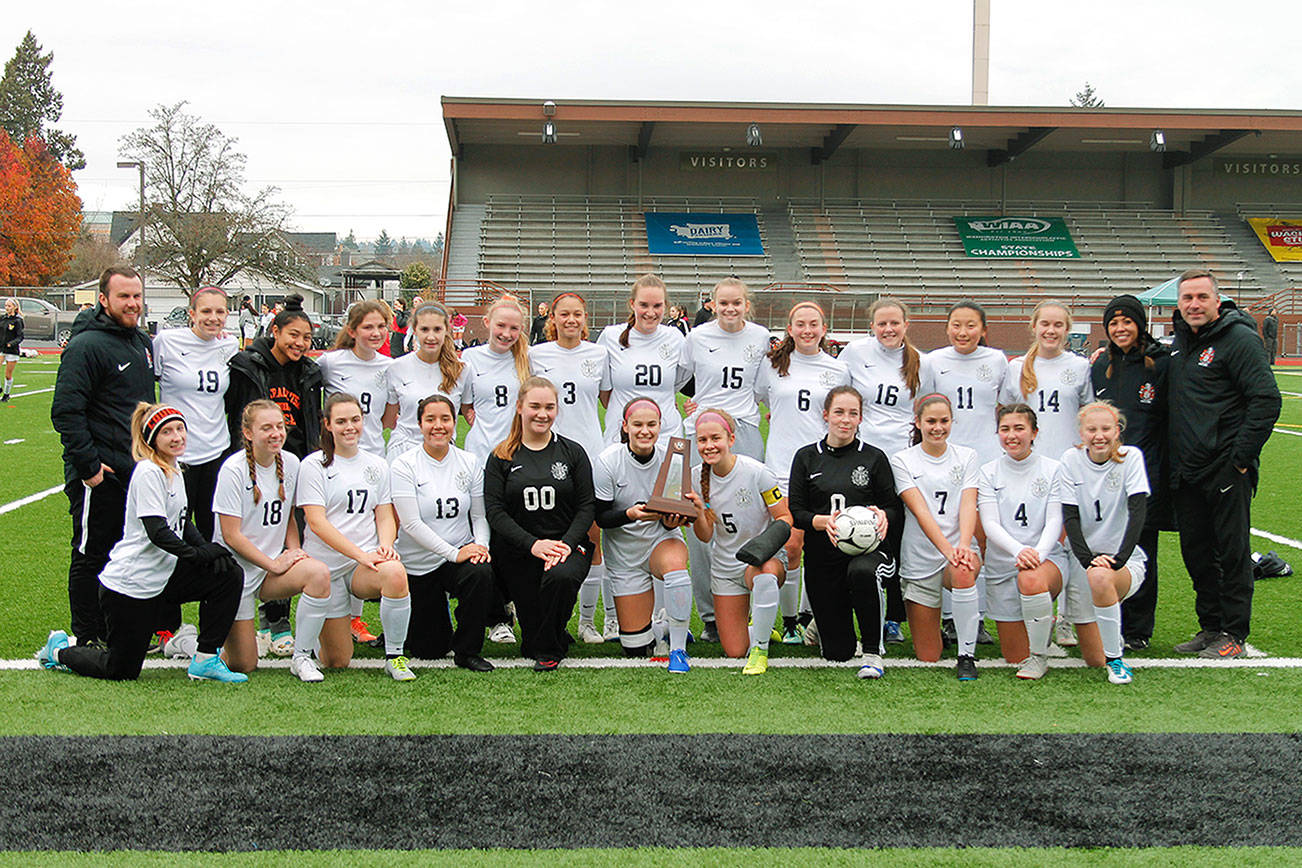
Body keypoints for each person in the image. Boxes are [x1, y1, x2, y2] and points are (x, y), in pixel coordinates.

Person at [36, 403, 246, 682]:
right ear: (152, 439)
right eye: (167, 432)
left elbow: (182, 523)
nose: (177, 437)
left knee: (228, 573)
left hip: (164, 577)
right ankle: (59, 651)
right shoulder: (148, 472)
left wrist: (209, 551)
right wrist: (198, 556)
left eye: (180, 429)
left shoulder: (174, 468)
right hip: (131, 586)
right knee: (120, 670)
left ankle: (206, 658)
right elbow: (157, 532)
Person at [1167, 269, 1281, 659]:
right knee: (1197, 553)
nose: (1194, 305)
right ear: (1178, 304)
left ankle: (1234, 633)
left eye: (1201, 297)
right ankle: (1210, 626)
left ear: (1218, 301)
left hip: (1226, 469)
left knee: (1231, 554)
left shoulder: (1239, 339)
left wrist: (1240, 458)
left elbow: (1266, 400)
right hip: (1187, 470)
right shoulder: (1181, 343)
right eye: (1187, 299)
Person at [51, 266, 156, 647]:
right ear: (103, 300)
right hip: (102, 473)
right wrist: (90, 467)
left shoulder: (141, 341)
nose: (132, 303)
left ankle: (119, 627)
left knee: (127, 551)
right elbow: (65, 411)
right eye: (124, 296)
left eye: (137, 296)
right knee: (91, 552)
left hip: (136, 472)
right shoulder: (86, 346)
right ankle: (88, 635)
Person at [225, 294, 323, 656]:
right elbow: (237, 414)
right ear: (276, 331)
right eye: (293, 335)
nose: (299, 343)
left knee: (291, 532)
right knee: (254, 533)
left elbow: (311, 418)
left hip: (294, 462)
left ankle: (276, 621)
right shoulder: (249, 365)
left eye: (306, 338)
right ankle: (237, 614)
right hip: (256, 464)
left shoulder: (311, 371)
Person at [297, 394, 415, 681]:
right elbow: (317, 522)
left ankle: (395, 656)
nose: (349, 427)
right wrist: (360, 554)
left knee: (396, 573)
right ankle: (316, 640)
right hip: (326, 571)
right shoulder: (314, 465)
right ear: (327, 425)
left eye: (355, 420)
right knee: (337, 661)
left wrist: (385, 546)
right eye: (340, 421)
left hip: (363, 565)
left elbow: (385, 514)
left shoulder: (376, 464)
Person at [213, 400, 333, 681]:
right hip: (235, 575)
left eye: (279, 426)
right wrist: (273, 564)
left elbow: (288, 517)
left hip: (270, 568)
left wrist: (295, 552)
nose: (276, 433)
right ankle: (204, 644)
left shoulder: (291, 463)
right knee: (244, 664)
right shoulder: (233, 470)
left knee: (318, 573)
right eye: (266, 428)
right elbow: (231, 535)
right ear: (248, 433)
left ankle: (302, 657)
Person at [679, 279, 771, 643]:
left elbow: (764, 385)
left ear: (747, 304)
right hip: (701, 431)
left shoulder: (761, 336)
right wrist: (693, 405)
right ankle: (711, 615)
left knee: (752, 519)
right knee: (702, 520)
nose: (730, 309)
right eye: (723, 303)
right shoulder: (696, 337)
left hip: (744, 430)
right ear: (712, 304)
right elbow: (680, 379)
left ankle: (747, 607)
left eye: (737, 303)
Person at [788, 386, 901, 679]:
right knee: (837, 652)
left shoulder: (874, 458)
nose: (845, 420)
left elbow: (893, 507)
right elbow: (797, 513)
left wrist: (883, 515)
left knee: (862, 572)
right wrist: (825, 522)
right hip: (823, 559)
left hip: (870, 554)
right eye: (839, 412)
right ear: (826, 415)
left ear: (861, 418)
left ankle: (873, 652)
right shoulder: (806, 457)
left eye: (853, 413)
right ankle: (821, 623)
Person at [483, 377, 595, 671]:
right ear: (519, 407)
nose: (542, 414)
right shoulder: (501, 456)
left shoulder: (573, 452)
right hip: (520, 551)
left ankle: (550, 647)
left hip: (565, 547)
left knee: (560, 580)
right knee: (530, 640)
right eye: (534, 406)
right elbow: (495, 512)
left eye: (549, 407)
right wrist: (533, 545)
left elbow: (586, 507)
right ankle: (551, 631)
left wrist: (565, 546)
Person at [756, 301, 849, 645]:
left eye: (814, 324)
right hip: (780, 465)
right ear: (790, 329)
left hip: (823, 467)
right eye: (800, 324)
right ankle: (791, 620)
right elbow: (757, 400)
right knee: (791, 544)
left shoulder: (837, 369)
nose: (807, 330)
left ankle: (812, 617)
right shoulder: (771, 365)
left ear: (824, 329)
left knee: (824, 544)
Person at [918, 300, 1006, 647]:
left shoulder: (997, 360)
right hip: (944, 459)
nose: (963, 332)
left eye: (971, 326)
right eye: (956, 325)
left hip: (985, 459)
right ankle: (947, 617)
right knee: (946, 532)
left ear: (983, 330)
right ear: (947, 327)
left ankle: (975, 615)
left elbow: (1007, 403)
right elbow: (924, 407)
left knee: (979, 539)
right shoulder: (934, 361)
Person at [530, 292, 614, 645]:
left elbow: (608, 399)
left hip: (588, 454)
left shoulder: (598, 354)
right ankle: (535, 612)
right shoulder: (536, 355)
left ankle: (590, 620)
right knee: (542, 530)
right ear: (553, 318)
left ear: (585, 318)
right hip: (544, 453)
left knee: (591, 537)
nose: (571, 320)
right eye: (564, 314)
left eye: (577, 314)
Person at [390, 395, 495, 671]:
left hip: (457, 556)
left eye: (445, 419)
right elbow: (411, 525)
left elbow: (479, 516)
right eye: (430, 420)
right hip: (419, 565)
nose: (439, 426)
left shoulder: (469, 462)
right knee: (429, 649)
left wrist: (480, 546)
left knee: (480, 571)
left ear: (454, 422)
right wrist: (455, 553)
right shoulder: (404, 465)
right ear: (419, 424)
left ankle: (468, 650)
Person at [684, 408, 793, 675]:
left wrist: (762, 549)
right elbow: (706, 536)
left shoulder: (758, 473)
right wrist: (699, 512)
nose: (709, 446)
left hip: (762, 561)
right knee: (733, 651)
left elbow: (785, 517)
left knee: (764, 575)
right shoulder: (695, 477)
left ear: (731, 439)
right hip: (725, 567)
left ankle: (761, 649)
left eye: (715, 438)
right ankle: (760, 627)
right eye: (702, 440)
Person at [1090, 295, 1172, 651]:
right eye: (1113, 324)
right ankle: (1103, 617)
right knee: (1104, 542)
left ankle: (1138, 627)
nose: (1120, 329)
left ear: (1140, 324)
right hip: (1105, 474)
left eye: (1127, 322)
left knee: (1142, 546)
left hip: (1146, 469)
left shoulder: (1163, 365)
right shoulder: (1100, 365)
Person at [839, 297, 922, 643]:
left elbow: (926, 410)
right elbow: (839, 397)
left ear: (905, 325)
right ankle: (845, 608)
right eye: (882, 323)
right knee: (859, 531)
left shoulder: (921, 362)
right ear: (871, 325)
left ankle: (894, 617)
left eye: (895, 323)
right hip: (864, 458)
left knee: (896, 536)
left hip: (903, 460)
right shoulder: (855, 353)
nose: (888, 329)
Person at [592, 398, 694, 669]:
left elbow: (674, 518)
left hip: (660, 541)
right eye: (637, 424)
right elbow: (600, 518)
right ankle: (662, 628)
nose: (645, 431)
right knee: (635, 648)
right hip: (624, 554)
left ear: (660, 426)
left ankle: (679, 648)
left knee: (675, 568)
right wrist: (630, 514)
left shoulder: (672, 459)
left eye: (652, 424)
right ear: (625, 426)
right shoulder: (608, 461)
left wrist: (673, 521)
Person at [890, 393, 983, 680]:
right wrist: (947, 549)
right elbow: (920, 511)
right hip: (920, 556)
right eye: (930, 421)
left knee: (964, 570)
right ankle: (941, 629)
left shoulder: (967, 456)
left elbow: (969, 503)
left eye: (944, 421)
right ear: (917, 422)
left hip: (957, 551)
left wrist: (963, 546)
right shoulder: (902, 459)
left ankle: (966, 656)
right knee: (928, 655)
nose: (937, 427)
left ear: (952, 421)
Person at [1058, 402, 1151, 684]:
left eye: (1106, 429)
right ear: (1081, 432)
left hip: (1121, 562)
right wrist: (1088, 560)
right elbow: (1070, 518)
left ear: (1117, 431)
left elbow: (1138, 512)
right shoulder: (1070, 460)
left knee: (1100, 578)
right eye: (1092, 429)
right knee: (1092, 659)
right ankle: (1108, 635)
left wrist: (1117, 560)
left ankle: (1117, 660)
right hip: (1083, 561)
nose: (1099, 436)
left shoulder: (1131, 457)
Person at [976, 404, 1071, 680]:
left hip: (1045, 560)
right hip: (1003, 565)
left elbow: (1055, 520)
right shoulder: (988, 471)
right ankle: (1043, 624)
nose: (1012, 435)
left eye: (1019, 428)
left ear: (1034, 432)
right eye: (1005, 429)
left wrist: (1036, 554)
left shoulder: (1054, 469)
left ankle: (1039, 657)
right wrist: (1019, 550)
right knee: (1014, 655)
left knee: (1030, 579)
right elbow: (990, 523)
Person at [153, 287, 239, 542]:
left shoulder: (229, 344)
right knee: (174, 529)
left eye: (220, 311)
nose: (213, 318)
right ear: (192, 314)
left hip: (216, 450)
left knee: (211, 530)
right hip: (178, 454)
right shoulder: (166, 342)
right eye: (206, 311)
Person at [597, 274, 687, 447]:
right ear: (632, 304)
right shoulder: (611, 336)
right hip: (621, 436)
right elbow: (604, 390)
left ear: (666, 306)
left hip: (667, 435)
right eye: (644, 305)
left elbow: (681, 379)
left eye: (657, 306)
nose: (650, 312)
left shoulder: (675, 338)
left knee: (671, 475)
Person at [1000, 301, 1093, 461]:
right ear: (1034, 327)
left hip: (1069, 459)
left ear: (1067, 329)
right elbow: (1003, 414)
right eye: (1045, 324)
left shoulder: (1080, 366)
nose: (1051, 330)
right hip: (1026, 460)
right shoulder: (1016, 368)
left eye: (1058, 325)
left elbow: (1089, 414)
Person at [385, 301, 468, 461]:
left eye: (437, 329)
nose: (431, 337)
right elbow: (389, 419)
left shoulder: (462, 370)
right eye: (424, 329)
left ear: (446, 330)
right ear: (415, 330)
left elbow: (469, 412)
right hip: (403, 453)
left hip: (443, 453)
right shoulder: (396, 367)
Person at [318, 300, 394, 458]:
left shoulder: (390, 367)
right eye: (368, 327)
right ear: (352, 331)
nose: (377, 333)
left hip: (374, 454)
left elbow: (388, 419)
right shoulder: (330, 363)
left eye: (381, 326)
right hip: (335, 455)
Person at [1, 297, 22, 401]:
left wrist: (11, 343)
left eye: (9, 306)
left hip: (12, 350)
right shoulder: (3, 319)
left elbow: (20, 336)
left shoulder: (17, 321)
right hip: (2, 348)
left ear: (14, 307)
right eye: (6, 306)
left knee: (8, 375)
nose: (7, 308)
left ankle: (6, 393)